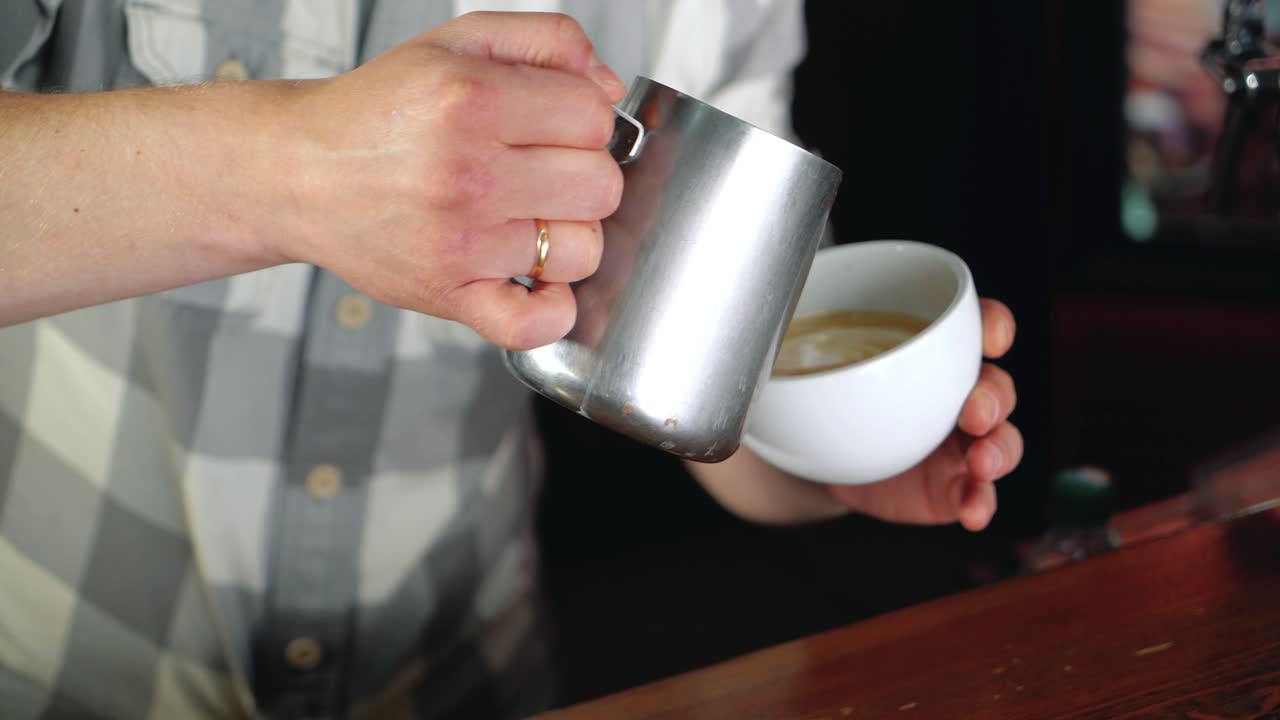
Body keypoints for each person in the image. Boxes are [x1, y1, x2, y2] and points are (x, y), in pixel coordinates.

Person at [0, 2, 1022, 718]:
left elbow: (712, 369)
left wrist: (832, 445)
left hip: (465, 681)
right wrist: (288, 171)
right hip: (65, 675)